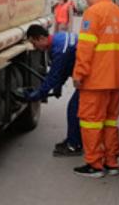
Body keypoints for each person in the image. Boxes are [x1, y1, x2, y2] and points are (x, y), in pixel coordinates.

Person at [72, 0, 119, 178]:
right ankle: (111, 162)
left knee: (91, 122)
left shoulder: (93, 12)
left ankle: (94, 165)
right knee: (110, 122)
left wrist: (79, 74)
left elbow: (85, 48)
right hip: (114, 79)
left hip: (95, 80)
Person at [25, 24, 82, 157]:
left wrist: (36, 95)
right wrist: (57, 87)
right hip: (89, 73)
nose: (34, 47)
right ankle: (73, 140)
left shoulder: (59, 49)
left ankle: (74, 145)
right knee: (75, 108)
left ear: (41, 38)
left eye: (34, 43)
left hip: (92, 76)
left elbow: (54, 76)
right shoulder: (58, 39)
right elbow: (63, 70)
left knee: (74, 108)